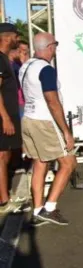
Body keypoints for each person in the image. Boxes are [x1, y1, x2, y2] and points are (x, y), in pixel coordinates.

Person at [19, 33, 77, 226]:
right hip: (45, 122)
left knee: (40, 163)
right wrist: (66, 131)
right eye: (55, 45)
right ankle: (49, 208)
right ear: (50, 46)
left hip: (29, 118)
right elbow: (52, 101)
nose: (55, 49)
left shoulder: (26, 66)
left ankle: (37, 211)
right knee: (68, 163)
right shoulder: (46, 69)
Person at [0, 24, 21, 210]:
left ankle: (4, 196)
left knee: (6, 154)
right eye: (16, 36)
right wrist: (5, 117)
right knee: (2, 155)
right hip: (2, 117)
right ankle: (4, 199)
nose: (18, 39)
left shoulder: (5, 59)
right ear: (7, 38)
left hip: (8, 114)